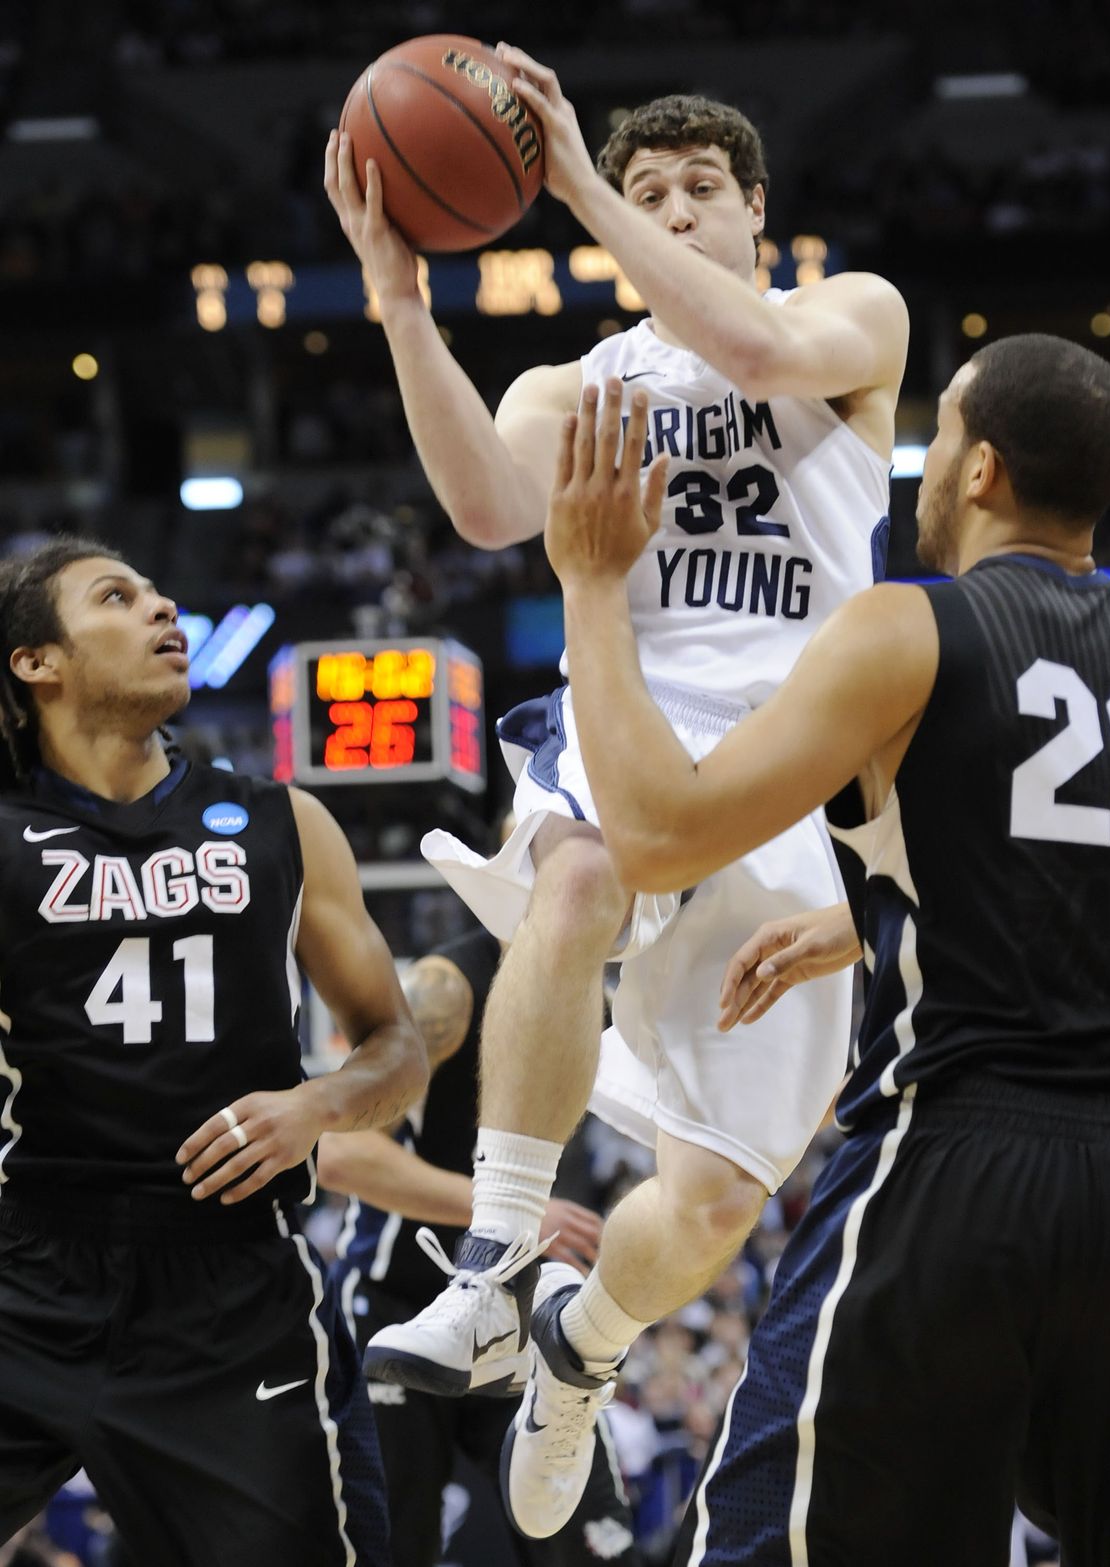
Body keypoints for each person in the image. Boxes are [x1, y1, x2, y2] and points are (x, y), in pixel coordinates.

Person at [325, 51, 908, 1534]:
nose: (674, 209)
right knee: (576, 873)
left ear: (757, 213)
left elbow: (767, 364)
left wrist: (579, 180)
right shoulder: (577, 382)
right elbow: (485, 510)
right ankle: (492, 1272)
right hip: (629, 719)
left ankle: (577, 1350)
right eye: (648, 191)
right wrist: (401, 302)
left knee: (714, 1201)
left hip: (801, 761)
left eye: (699, 191)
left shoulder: (849, 320)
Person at [535, 337, 1110, 1563]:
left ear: (984, 466)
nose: (924, 465)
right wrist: (872, 913)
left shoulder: (906, 626)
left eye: (938, 437)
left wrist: (589, 582)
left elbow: (658, 834)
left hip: (966, 1164)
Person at [0, 537, 429, 1566]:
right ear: (36, 662)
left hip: (236, 1288)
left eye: (158, 589)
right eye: (118, 596)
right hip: (28, 1269)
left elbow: (395, 1043)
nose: (163, 607)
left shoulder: (285, 822)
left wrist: (316, 1107)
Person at [317, 915, 640, 1567]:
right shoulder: (444, 991)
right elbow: (339, 1152)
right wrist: (512, 1209)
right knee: (390, 1546)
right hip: (399, 1301)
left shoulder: (601, 996)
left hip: (524, 1313)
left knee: (590, 1545)